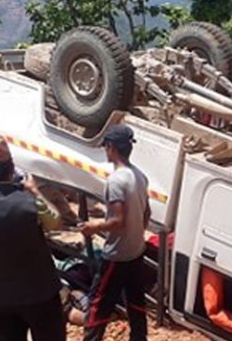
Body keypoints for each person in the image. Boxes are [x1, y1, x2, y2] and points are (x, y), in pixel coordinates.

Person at [0, 135, 65, 341]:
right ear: (12, 169)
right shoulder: (31, 204)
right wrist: (35, 191)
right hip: (40, 293)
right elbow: (56, 222)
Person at [81, 124, 150, 341]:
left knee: (98, 304)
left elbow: (117, 221)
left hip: (116, 256)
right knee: (136, 301)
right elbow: (146, 212)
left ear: (111, 148)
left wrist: (93, 227)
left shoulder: (116, 181)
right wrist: (135, 232)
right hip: (136, 251)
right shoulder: (139, 176)